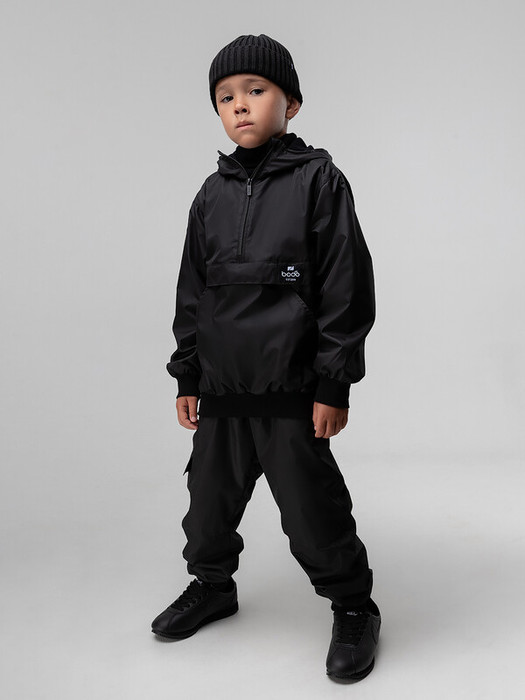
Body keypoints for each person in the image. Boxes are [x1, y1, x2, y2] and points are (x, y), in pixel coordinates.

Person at [151, 33, 381, 682]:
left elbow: (345, 287)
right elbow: (193, 290)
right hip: (223, 388)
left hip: (291, 390)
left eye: (256, 90)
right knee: (206, 507)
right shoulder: (210, 194)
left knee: (311, 511)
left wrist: (333, 383)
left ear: (292, 103)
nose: (240, 105)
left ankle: (353, 605)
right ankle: (212, 585)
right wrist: (187, 374)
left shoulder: (318, 181)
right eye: (225, 97)